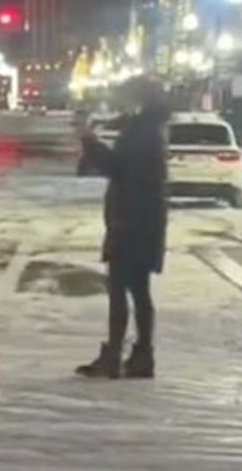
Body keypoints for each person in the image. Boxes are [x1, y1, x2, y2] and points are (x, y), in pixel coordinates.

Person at [74, 77, 170, 379]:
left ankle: (116, 355)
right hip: (141, 219)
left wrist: (89, 140)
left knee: (120, 288)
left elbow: (119, 167)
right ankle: (140, 355)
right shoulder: (146, 127)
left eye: (126, 96)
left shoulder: (144, 132)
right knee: (138, 290)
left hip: (133, 221)